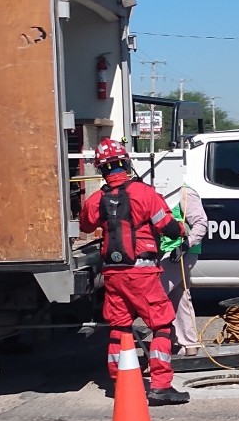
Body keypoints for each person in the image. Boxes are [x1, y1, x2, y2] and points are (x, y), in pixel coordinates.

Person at [79, 137, 190, 405]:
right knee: (161, 325)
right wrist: (181, 230)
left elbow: (84, 225)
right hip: (142, 272)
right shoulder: (144, 193)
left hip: (113, 273)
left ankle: (121, 383)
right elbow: (168, 226)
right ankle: (161, 385)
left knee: (119, 327)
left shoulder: (96, 200)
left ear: (101, 169)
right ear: (125, 164)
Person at [159, 184, 209, 357]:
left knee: (158, 293)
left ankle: (163, 341)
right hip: (166, 252)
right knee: (179, 296)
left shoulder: (184, 193)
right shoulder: (158, 190)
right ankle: (189, 344)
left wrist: (186, 245)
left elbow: (201, 222)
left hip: (181, 252)